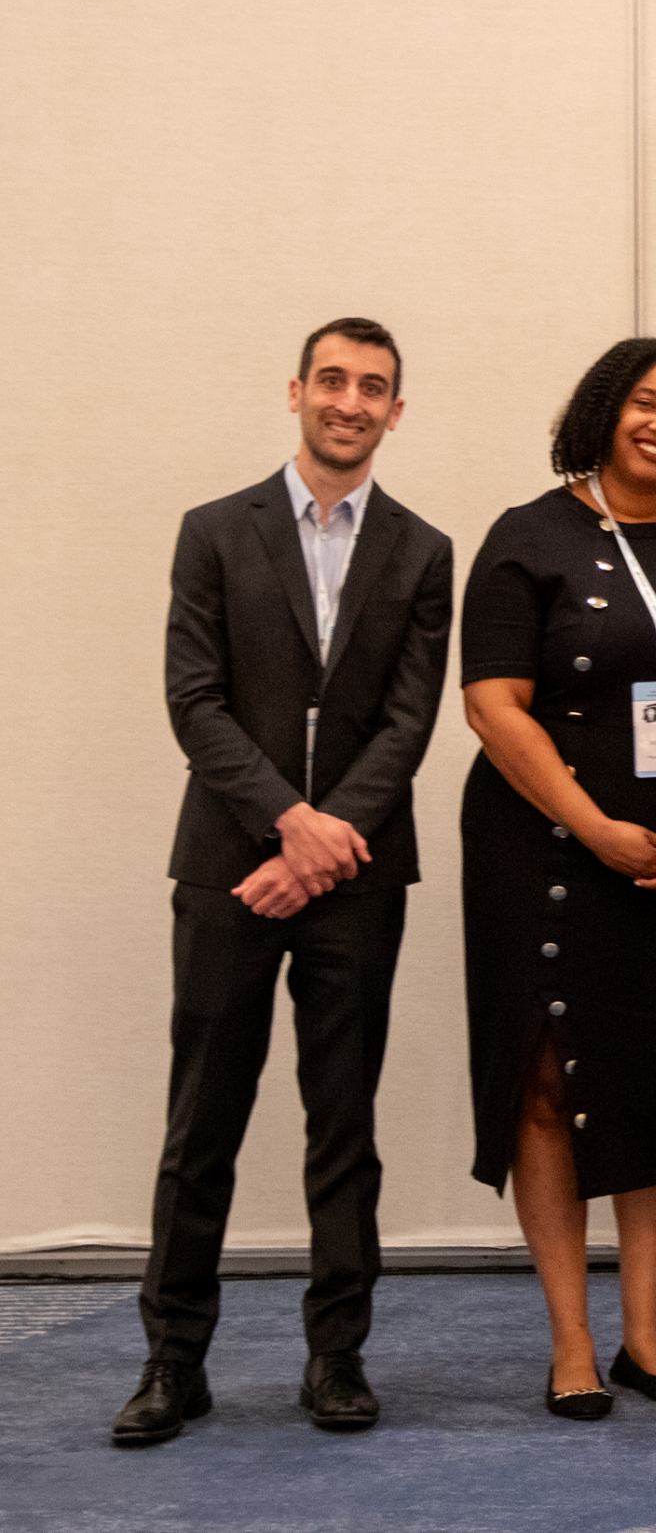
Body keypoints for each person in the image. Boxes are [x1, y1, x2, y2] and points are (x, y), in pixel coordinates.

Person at [119, 318, 453, 1447]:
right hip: (227, 869)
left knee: (342, 1123)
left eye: (375, 387)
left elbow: (408, 722)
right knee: (200, 1119)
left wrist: (325, 841)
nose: (350, 401)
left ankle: (337, 1359)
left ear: (395, 411)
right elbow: (194, 701)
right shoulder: (215, 532)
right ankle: (172, 1362)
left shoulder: (421, 550)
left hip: (357, 881)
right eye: (333, 381)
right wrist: (286, 827)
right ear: (297, 391)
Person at [458, 339, 656, 1420]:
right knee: (548, 1082)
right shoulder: (529, 536)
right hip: (547, 853)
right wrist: (592, 823)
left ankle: (646, 1335)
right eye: (645, 402)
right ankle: (571, 1342)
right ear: (604, 409)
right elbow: (493, 705)